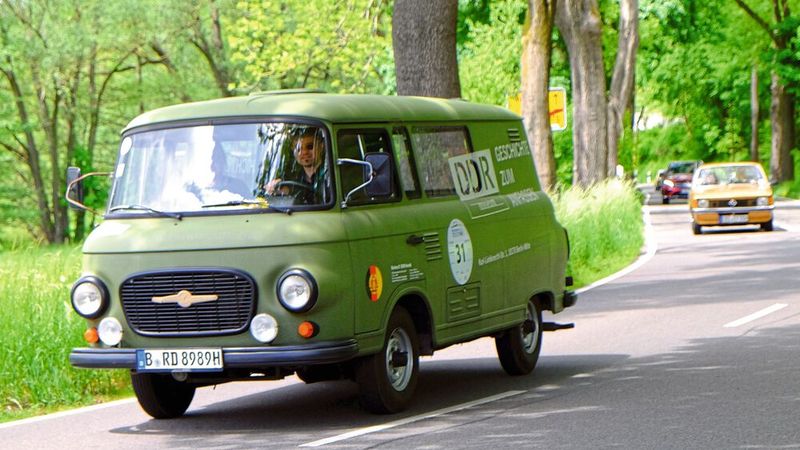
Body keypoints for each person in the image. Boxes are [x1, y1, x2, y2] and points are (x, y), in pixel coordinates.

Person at [265, 129, 326, 204]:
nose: (304, 152)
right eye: (298, 148)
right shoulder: (293, 177)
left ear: (322, 146)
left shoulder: (330, 176)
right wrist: (274, 187)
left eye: (310, 147)